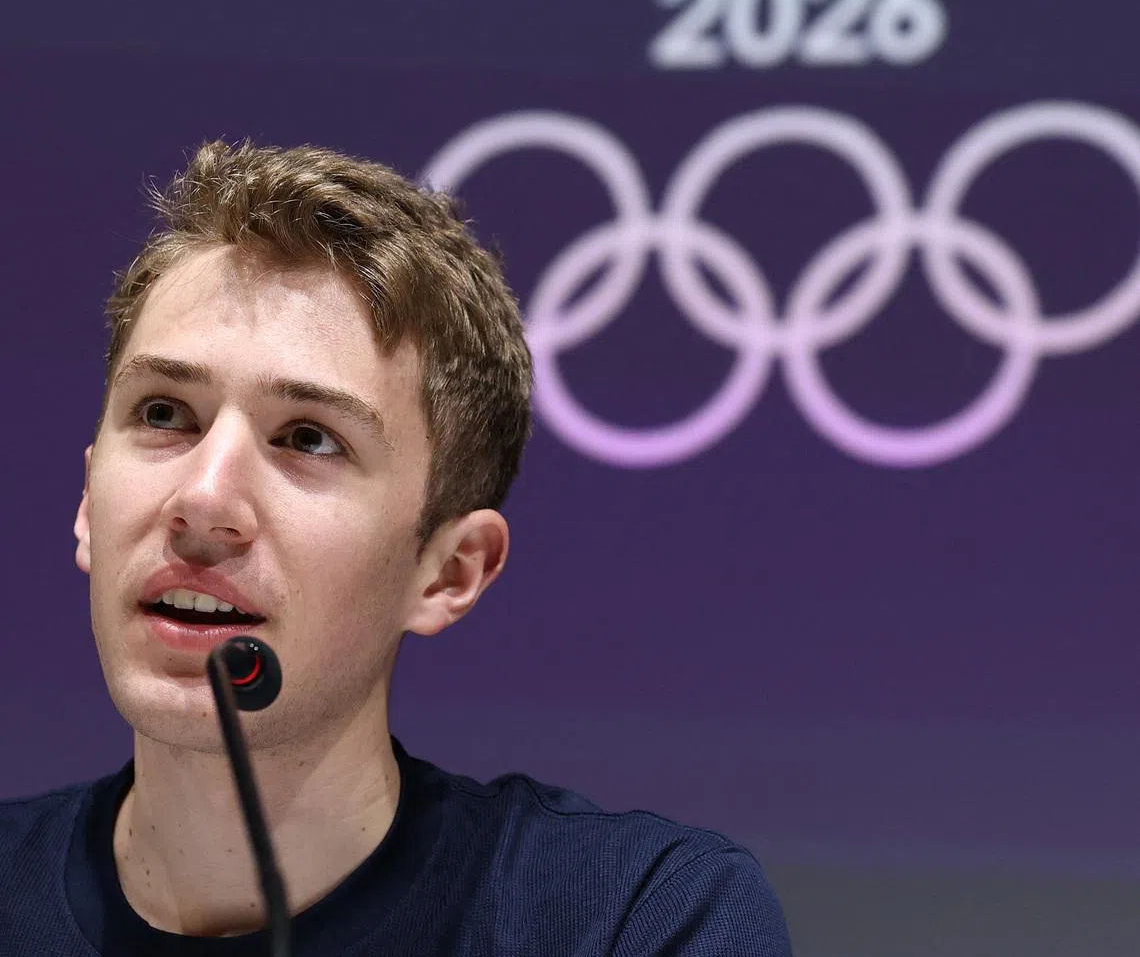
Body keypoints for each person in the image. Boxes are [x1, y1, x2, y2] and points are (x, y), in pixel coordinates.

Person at [0, 141, 793, 955]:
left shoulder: (635, 921)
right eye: (165, 414)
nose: (203, 501)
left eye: (308, 438)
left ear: (450, 572)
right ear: (90, 501)